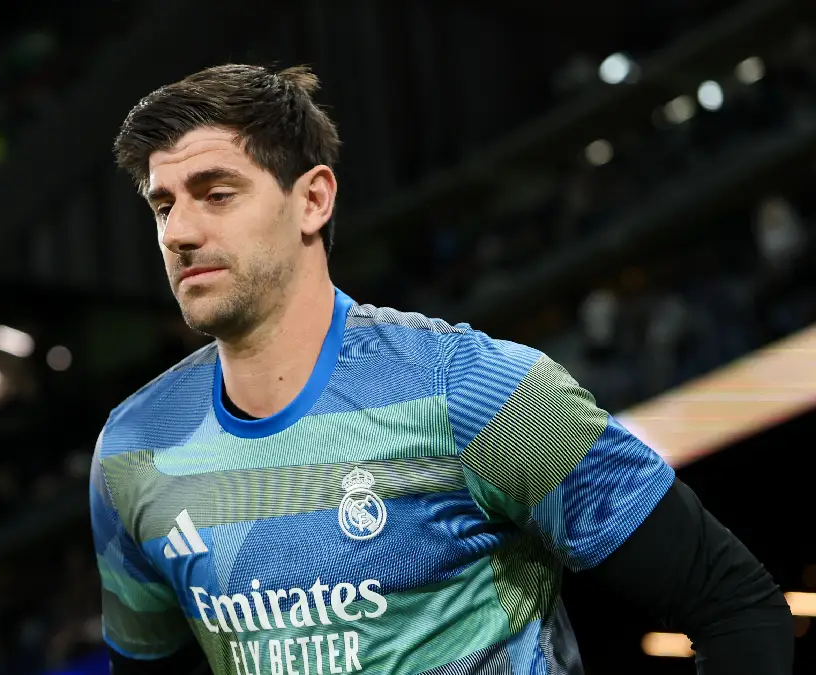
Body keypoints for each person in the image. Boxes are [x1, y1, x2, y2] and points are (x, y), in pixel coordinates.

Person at [89, 64, 793, 675]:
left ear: (313, 199)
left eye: (216, 193)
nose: (179, 231)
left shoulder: (478, 391)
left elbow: (735, 605)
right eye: (163, 204)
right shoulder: (132, 452)